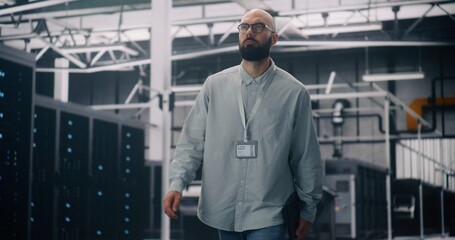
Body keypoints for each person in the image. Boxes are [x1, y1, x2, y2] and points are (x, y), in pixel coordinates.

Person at [164, 8, 322, 240]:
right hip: (223, 209)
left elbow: (306, 155)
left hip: (270, 212)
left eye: (259, 27)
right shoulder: (214, 86)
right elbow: (191, 143)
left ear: (274, 38)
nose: (250, 32)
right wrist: (176, 184)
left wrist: (308, 209)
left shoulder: (294, 93)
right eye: (244, 27)